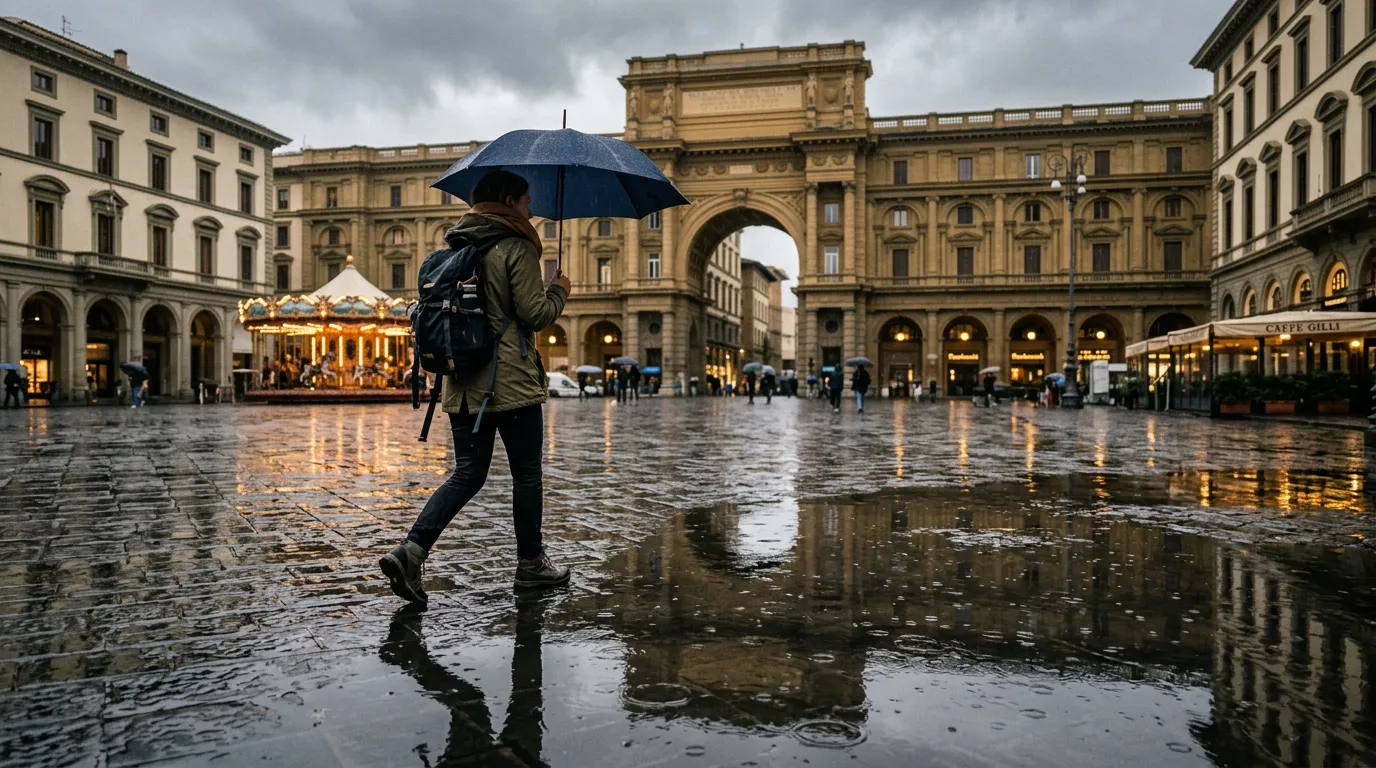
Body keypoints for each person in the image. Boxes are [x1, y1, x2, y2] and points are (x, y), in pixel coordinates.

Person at [380, 170, 572, 606]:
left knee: (467, 474)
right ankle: (531, 565)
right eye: (526, 202)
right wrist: (559, 290)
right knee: (526, 475)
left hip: (460, 386)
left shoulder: (450, 249)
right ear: (507, 201)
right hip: (511, 386)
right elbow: (535, 313)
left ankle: (411, 551)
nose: (531, 210)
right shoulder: (516, 246)